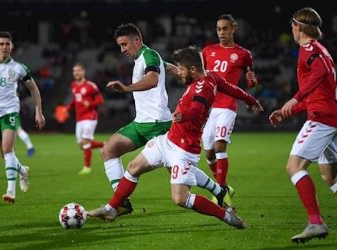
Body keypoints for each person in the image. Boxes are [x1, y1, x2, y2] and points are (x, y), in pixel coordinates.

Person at [88, 47, 263, 227]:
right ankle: (112, 208)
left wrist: (183, 116)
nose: (179, 72)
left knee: (180, 198)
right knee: (133, 167)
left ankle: (227, 216)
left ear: (192, 70)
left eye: (181, 69)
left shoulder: (204, 87)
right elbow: (232, 88)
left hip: (184, 150)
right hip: (168, 140)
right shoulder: (212, 76)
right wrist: (251, 100)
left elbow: (197, 109)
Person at [101, 23, 231, 216]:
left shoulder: (149, 55)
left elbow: (152, 79)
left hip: (157, 123)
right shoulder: (146, 57)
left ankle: (219, 191)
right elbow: (165, 66)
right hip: (141, 123)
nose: (122, 50)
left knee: (178, 172)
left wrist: (126, 88)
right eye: (120, 45)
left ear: (137, 40)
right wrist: (178, 72)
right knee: (109, 149)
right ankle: (121, 202)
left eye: (125, 44)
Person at [268, 7, 336, 243]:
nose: (292, 29)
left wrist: (295, 98)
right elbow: (317, 91)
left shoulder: (309, 50)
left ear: (298, 27)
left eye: (292, 25)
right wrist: (288, 111)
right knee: (330, 177)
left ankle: (315, 223)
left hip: (322, 118)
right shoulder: (321, 50)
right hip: (331, 115)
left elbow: (319, 73)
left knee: (294, 166)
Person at [201, 14, 258, 206]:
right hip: (210, 108)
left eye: (225, 28)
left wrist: (251, 81)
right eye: (218, 29)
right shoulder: (208, 51)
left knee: (219, 146)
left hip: (227, 106)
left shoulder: (243, 54)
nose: (221, 32)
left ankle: (222, 189)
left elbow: (251, 81)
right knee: (208, 153)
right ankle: (223, 186)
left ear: (233, 29)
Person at [0, 31, 45, 203]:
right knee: (4, 155)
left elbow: (34, 89)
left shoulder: (19, 68)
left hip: (10, 112)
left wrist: (38, 111)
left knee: (7, 149)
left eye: (8, 44)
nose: (5, 47)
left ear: (12, 46)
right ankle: (23, 171)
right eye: (2, 44)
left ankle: (10, 191)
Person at [65, 63, 105, 175]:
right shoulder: (73, 85)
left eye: (78, 70)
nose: (76, 73)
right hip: (79, 118)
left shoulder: (90, 85)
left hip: (90, 117)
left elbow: (100, 100)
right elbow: (75, 100)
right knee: (82, 145)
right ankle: (104, 144)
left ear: (83, 72)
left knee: (85, 141)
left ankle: (87, 167)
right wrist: (68, 107)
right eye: (74, 71)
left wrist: (90, 103)